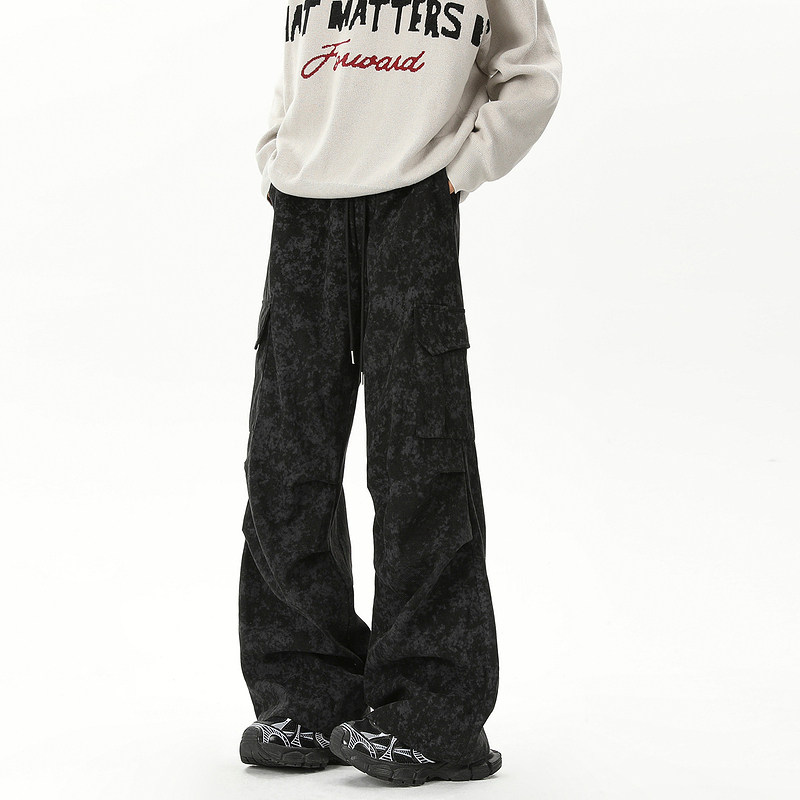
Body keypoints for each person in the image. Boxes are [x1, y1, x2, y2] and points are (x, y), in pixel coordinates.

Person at [238, 0, 562, 786]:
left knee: (420, 463)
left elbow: (531, 74)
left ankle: (432, 716)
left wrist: (459, 171)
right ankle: (307, 697)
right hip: (304, 208)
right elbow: (300, 61)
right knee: (285, 463)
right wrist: (278, 155)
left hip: (413, 199)